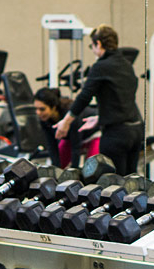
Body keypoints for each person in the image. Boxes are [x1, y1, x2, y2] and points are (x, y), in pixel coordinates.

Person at [53, 25, 143, 175]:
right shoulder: (126, 65)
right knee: (132, 183)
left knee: (114, 184)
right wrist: (101, 117)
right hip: (135, 130)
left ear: (98, 44)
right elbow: (122, 97)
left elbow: (84, 97)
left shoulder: (101, 66)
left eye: (92, 46)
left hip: (116, 135)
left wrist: (66, 122)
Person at [34, 87, 99, 168]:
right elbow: (51, 146)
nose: (38, 113)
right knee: (59, 164)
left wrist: (74, 172)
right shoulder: (44, 118)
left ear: (53, 107)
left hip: (94, 133)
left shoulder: (70, 114)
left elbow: (76, 146)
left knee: (92, 167)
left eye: (42, 109)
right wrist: (56, 171)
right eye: (36, 109)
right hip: (72, 138)